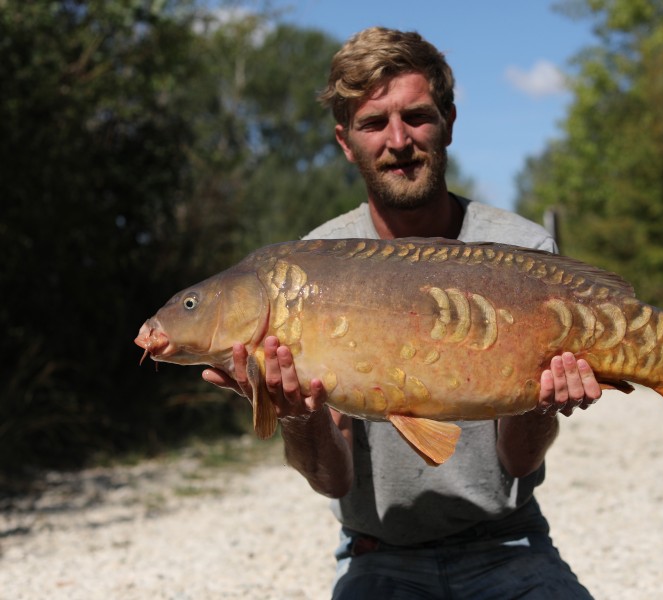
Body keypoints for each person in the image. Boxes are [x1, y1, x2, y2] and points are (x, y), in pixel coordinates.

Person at [203, 27, 602, 599]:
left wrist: (543, 404)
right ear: (346, 142)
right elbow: (332, 478)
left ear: (449, 122)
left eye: (416, 116)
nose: (398, 140)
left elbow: (516, 463)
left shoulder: (523, 253)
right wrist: (297, 414)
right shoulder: (309, 268)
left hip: (508, 543)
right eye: (373, 124)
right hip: (379, 557)